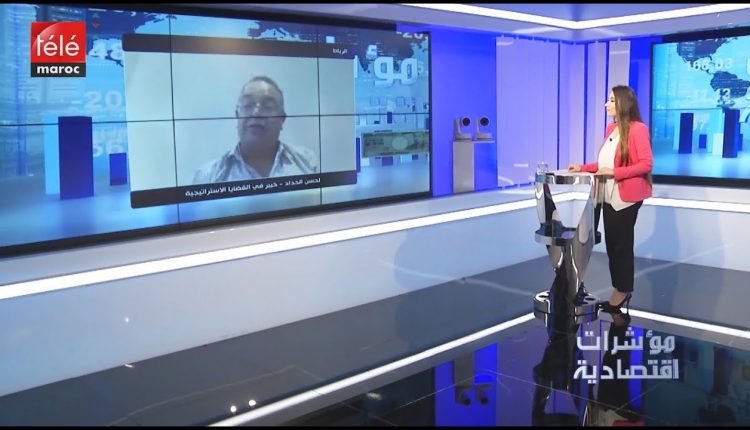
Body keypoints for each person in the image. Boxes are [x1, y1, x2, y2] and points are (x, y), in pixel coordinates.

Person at [568, 85, 653, 314]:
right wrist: (583, 167)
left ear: (624, 103)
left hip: (626, 197)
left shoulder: (638, 129)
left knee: (621, 246)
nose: (607, 105)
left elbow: (646, 164)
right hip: (606, 194)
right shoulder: (612, 129)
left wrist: (614, 173)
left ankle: (623, 291)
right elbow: (606, 163)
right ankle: (620, 288)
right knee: (612, 245)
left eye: (612, 100)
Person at [192, 76, 318, 184]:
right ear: (237, 116)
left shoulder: (307, 162)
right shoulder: (208, 176)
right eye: (248, 105)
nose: (256, 112)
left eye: (268, 106)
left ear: (282, 119)